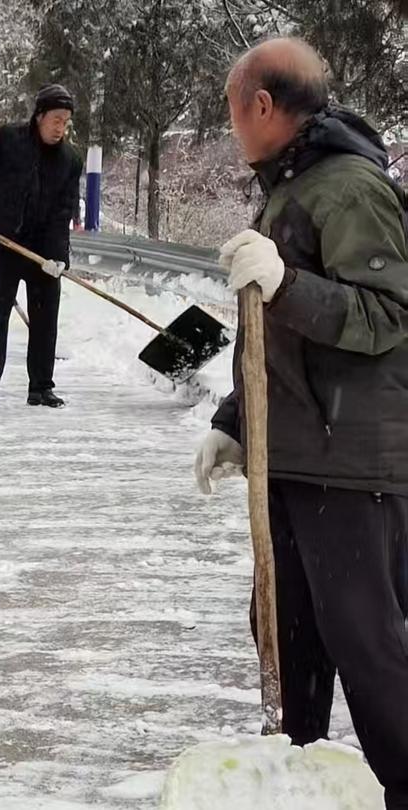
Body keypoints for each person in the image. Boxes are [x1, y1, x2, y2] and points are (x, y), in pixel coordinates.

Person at [196, 38, 408, 809]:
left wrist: (286, 283)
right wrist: (235, 423)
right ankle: (302, 788)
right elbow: (275, 343)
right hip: (294, 457)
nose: (230, 125)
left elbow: (390, 315)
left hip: (349, 464)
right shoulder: (292, 184)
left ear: (260, 105)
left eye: (230, 108)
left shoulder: (347, 188)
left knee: (370, 652)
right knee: (287, 642)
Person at [0, 84, 83, 411]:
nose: (60, 128)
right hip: (5, 243)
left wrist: (59, 259)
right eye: (55, 119)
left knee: (45, 319)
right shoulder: (10, 139)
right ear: (39, 116)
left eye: (65, 122)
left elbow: (65, 210)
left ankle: (40, 387)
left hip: (43, 251)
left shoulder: (70, 159)